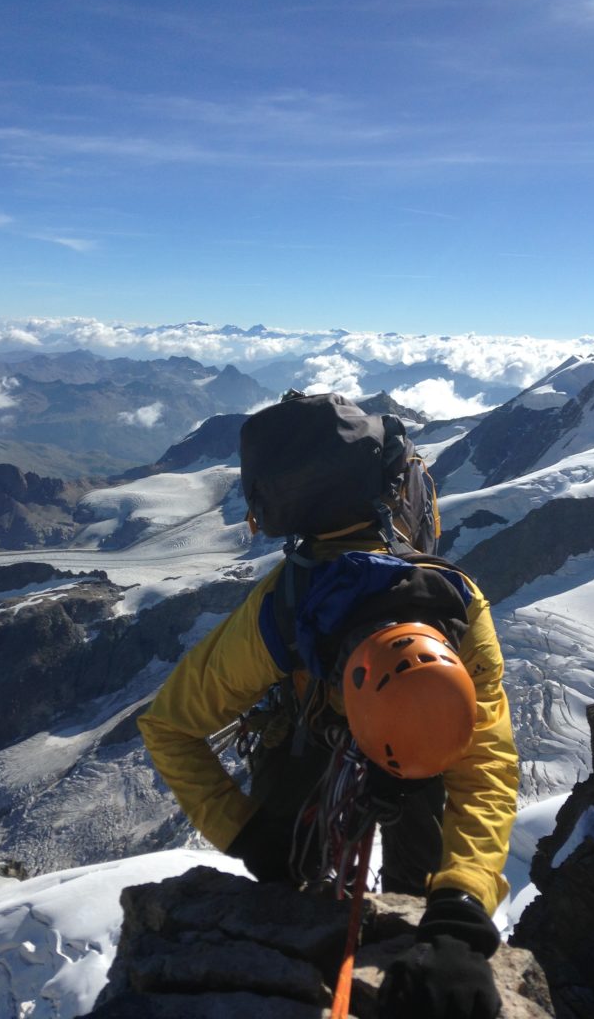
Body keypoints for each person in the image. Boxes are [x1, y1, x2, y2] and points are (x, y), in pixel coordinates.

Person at [138, 402, 519, 1019]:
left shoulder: (283, 610)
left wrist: (247, 831)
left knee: (292, 882)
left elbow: (169, 725)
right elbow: (485, 766)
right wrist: (459, 911)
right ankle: (411, 927)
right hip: (399, 764)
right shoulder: (457, 607)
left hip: (302, 754)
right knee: (417, 853)